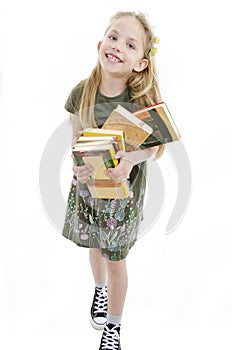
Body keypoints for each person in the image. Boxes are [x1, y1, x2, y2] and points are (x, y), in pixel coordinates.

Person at [62, 11, 164, 350]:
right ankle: (99, 290)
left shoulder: (139, 102)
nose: (118, 46)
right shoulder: (82, 92)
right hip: (90, 191)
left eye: (130, 44)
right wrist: (78, 163)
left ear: (140, 64)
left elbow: (156, 148)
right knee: (94, 247)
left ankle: (114, 327)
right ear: (100, 44)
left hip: (122, 196)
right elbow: (75, 138)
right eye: (113, 37)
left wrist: (131, 161)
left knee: (115, 258)